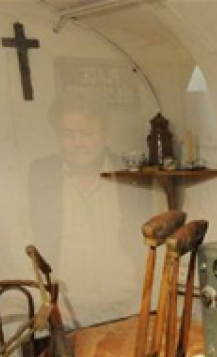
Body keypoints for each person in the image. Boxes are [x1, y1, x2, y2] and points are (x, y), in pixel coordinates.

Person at [28, 94, 155, 327]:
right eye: (67, 134)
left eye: (86, 133)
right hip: (66, 312)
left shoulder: (132, 175)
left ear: (104, 133)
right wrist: (46, 302)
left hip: (127, 309)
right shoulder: (41, 174)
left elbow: (153, 246)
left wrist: (146, 300)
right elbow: (28, 243)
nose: (77, 143)